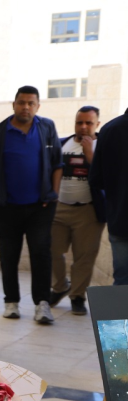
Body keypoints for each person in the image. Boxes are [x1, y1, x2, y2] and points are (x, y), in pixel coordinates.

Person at [0, 86, 63, 324]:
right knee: (8, 255)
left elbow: (57, 164)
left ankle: (42, 304)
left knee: (41, 253)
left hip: (41, 206)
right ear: (14, 104)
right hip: (8, 207)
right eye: (21, 102)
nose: (26, 107)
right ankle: (11, 302)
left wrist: (53, 194)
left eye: (31, 103)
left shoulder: (47, 129)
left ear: (38, 106)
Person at [50, 106, 104, 315]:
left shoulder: (103, 146)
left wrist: (90, 154)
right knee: (51, 251)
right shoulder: (62, 144)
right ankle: (60, 287)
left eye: (88, 123)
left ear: (97, 124)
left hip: (88, 211)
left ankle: (78, 296)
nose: (83, 127)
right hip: (59, 209)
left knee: (84, 257)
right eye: (79, 122)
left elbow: (107, 176)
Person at [90, 108, 128, 285]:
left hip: (120, 219)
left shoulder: (109, 129)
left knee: (121, 280)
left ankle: (118, 305)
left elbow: (96, 179)